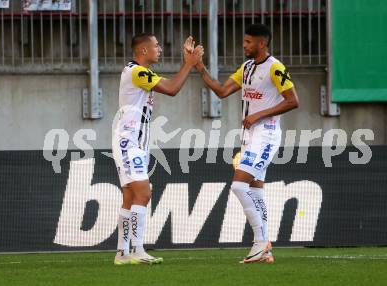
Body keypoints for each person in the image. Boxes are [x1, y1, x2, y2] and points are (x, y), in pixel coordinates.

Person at [195, 24, 299, 263]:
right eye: (244, 41)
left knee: (238, 186)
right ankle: (264, 249)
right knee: (255, 190)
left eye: (249, 42)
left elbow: (293, 101)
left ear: (262, 43)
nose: (244, 45)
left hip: (266, 134)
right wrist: (199, 67)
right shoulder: (247, 67)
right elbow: (222, 91)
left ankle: (261, 242)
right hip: (250, 137)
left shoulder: (275, 67)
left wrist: (258, 115)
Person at [112, 33, 203, 265]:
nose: (160, 49)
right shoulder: (137, 72)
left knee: (131, 196)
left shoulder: (138, 71)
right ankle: (137, 250)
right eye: (156, 45)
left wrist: (187, 63)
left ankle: (122, 254)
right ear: (143, 51)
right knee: (143, 193)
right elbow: (172, 89)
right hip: (129, 140)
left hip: (135, 140)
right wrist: (189, 64)